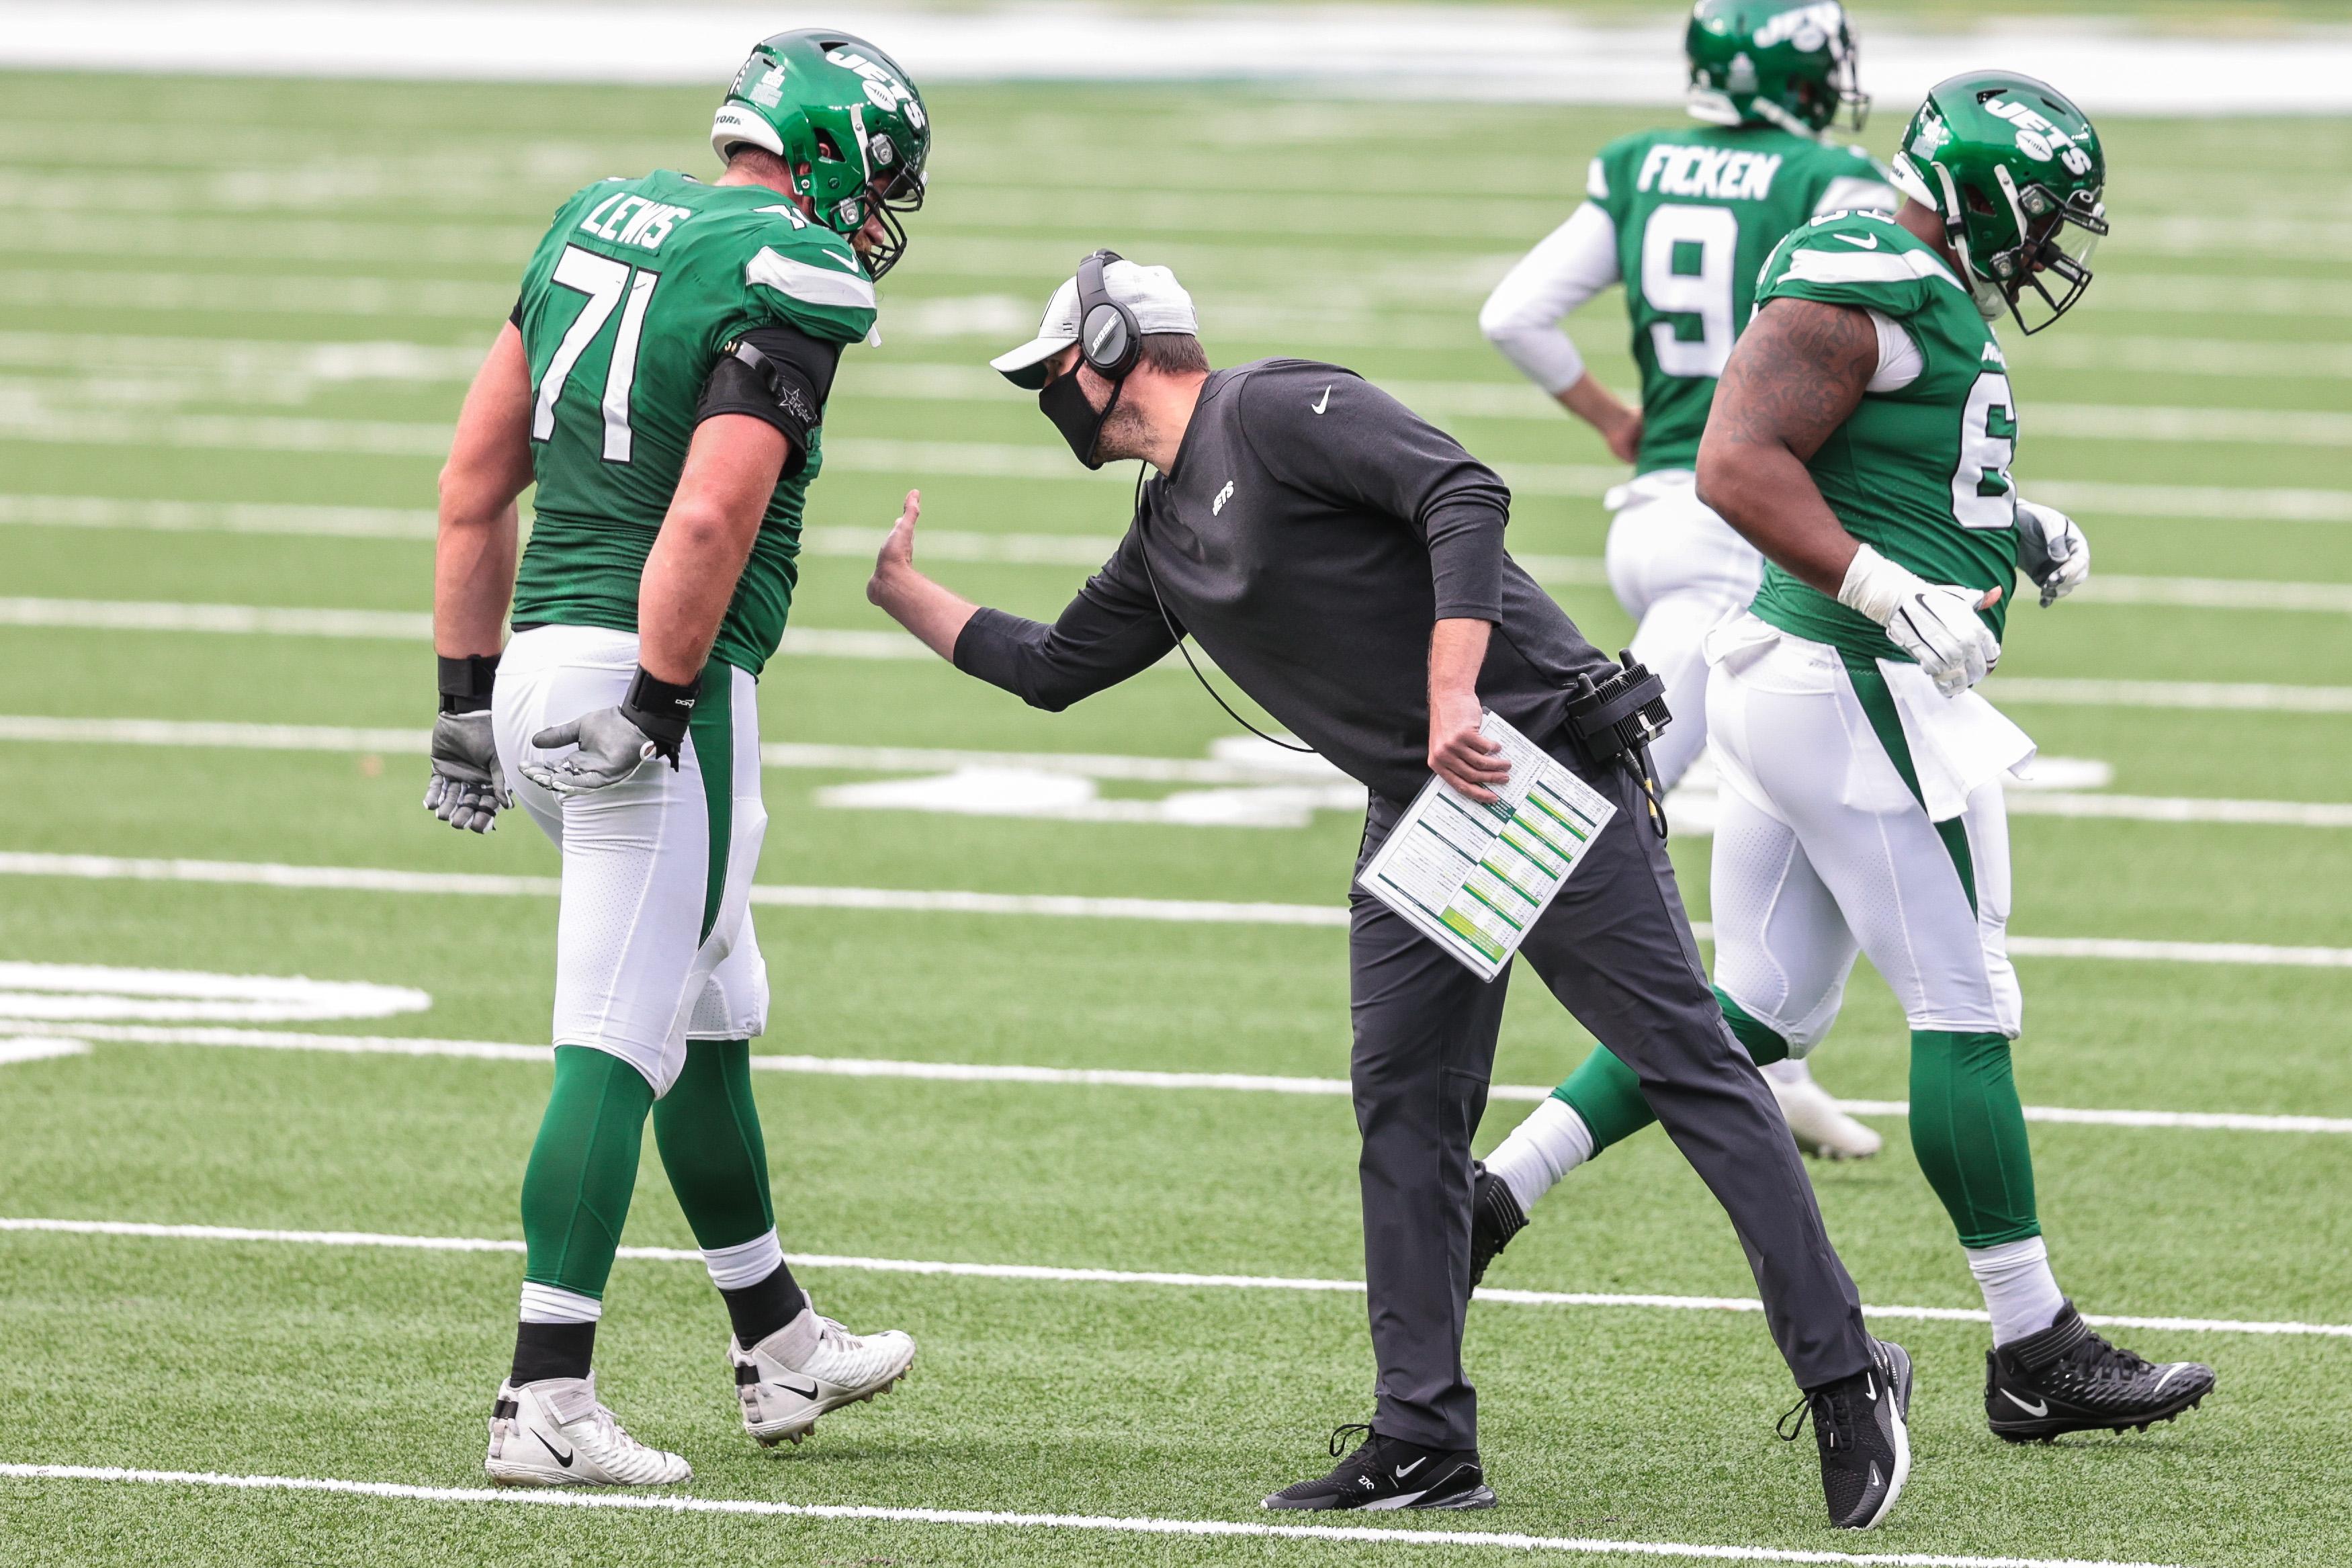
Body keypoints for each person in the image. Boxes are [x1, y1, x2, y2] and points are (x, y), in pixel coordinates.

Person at [866, 251, 1913, 1528]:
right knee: (1404, 1111)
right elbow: (1049, 668)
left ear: (1107, 346)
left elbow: (1463, 492)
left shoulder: (1270, 405)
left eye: (1052, 371)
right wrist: (904, 593)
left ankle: (1847, 1372)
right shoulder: (1161, 528)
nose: (1047, 395)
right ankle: (1423, 1434)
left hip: (1533, 761)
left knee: (1687, 1063)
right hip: (1420, 813)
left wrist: (1449, 687)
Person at [1483, 70, 2216, 1444]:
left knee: (1757, 1010)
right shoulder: (1855, 274)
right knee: (1965, 999)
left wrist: (2011, 528)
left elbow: (1881, 454)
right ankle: (2031, 1345)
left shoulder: (1903, 275)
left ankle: (1497, 1191)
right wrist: (1884, 587)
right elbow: (1735, 462)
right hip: (1849, 678)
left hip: (1800, 678)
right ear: (1989, 190)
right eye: (2047, 215)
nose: (2051, 244)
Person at [424, 29, 931, 1487]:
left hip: (529, 672)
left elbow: (470, 489)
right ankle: (546, 1403)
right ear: (829, 156)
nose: (875, 218)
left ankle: (777, 1342)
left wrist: (463, 705)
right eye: (876, 180)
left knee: (710, 998)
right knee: (618, 1034)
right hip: (652, 689)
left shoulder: (597, 216)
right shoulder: (785, 272)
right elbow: (705, 523)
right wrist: (661, 700)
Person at [1479, 0, 1894, 1170]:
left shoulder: (1640, 164)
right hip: (1740, 533)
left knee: (1790, 777)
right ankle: (1427, 945)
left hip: (1661, 505)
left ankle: (1782, 1057)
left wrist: (1612, 415)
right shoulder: (1826, 179)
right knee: (1589, 792)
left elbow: (1514, 313)